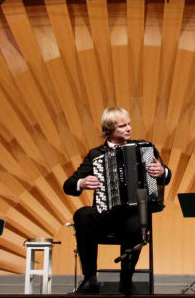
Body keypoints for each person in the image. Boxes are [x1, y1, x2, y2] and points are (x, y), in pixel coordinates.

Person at [63, 107, 171, 294]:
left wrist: (162, 172)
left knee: (138, 218)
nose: (129, 128)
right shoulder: (96, 154)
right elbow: (69, 185)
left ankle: (126, 279)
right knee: (82, 214)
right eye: (123, 126)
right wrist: (82, 182)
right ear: (109, 129)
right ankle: (90, 279)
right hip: (105, 216)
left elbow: (165, 177)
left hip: (132, 216)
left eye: (129, 124)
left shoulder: (145, 148)